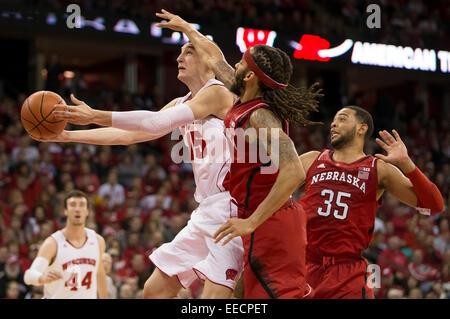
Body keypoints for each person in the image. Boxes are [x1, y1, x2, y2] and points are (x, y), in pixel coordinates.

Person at [36, 41, 244, 298]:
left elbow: (155, 122)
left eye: (189, 52)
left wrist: (94, 115)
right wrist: (67, 137)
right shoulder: (183, 102)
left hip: (232, 206)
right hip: (206, 210)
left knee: (215, 300)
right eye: (179, 52)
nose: (180, 57)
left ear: (209, 61)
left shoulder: (218, 93)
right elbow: (128, 136)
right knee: (153, 292)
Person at [153, 10, 322, 298]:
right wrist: (187, 29)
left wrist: (252, 221)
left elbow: (294, 170)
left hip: (273, 223)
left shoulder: (261, 116)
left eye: (242, 62)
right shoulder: (243, 98)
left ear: (251, 77)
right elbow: (214, 56)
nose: (234, 63)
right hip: (252, 217)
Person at [297, 106, 444, 298]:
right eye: (333, 120)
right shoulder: (312, 160)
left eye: (342, 119)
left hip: (346, 273)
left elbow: (435, 205)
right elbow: (270, 185)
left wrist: (407, 165)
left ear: (361, 128)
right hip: (304, 265)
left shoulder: (378, 169)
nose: (333, 124)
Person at [23, 190, 107, 299]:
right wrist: (41, 278)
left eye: (82, 205)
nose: (77, 209)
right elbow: (29, 275)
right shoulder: (52, 243)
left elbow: (99, 273)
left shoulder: (97, 241)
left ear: (87, 211)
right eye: (73, 205)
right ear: (65, 211)